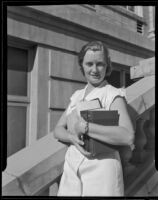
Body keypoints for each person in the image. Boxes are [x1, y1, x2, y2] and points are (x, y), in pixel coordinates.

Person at [54, 41, 135, 196]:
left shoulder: (112, 94)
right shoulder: (77, 95)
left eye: (100, 64)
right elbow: (57, 130)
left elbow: (128, 135)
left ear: (107, 66)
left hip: (102, 170)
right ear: (82, 66)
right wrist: (72, 137)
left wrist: (85, 127)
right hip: (72, 168)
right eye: (89, 64)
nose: (94, 69)